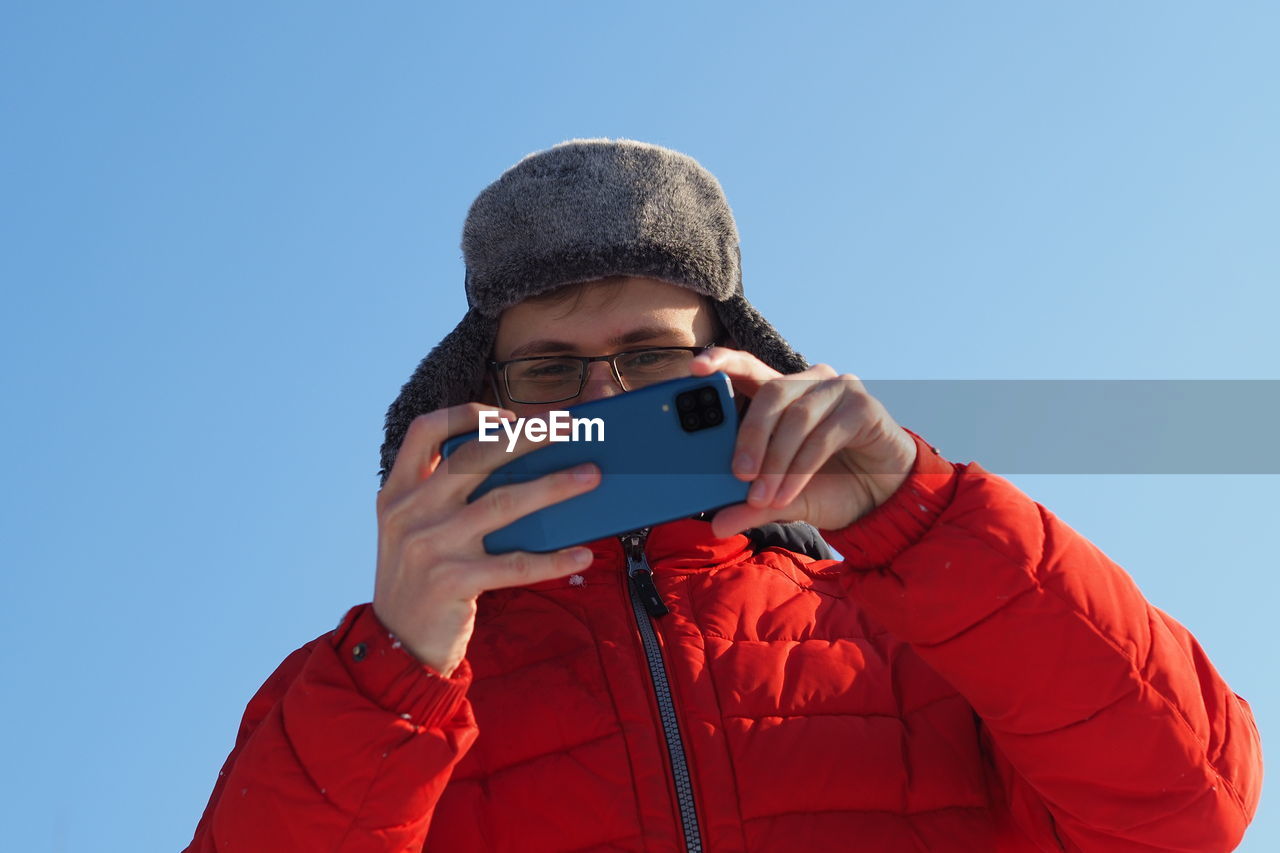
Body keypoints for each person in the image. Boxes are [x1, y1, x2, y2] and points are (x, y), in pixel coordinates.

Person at [184, 139, 1262, 852]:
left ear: (732, 366)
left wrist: (918, 512)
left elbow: (1188, 807)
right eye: (551, 370)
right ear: (481, 402)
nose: (604, 396)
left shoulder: (913, 629)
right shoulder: (382, 695)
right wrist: (396, 668)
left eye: (648, 359)